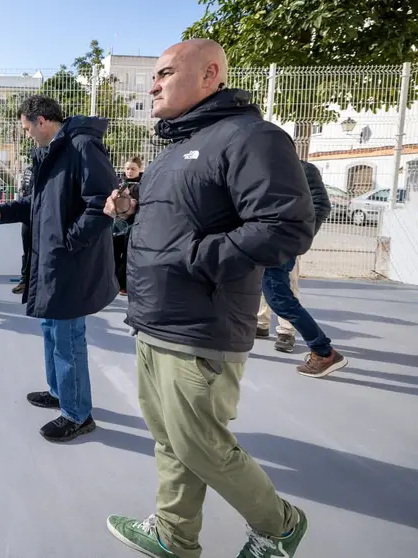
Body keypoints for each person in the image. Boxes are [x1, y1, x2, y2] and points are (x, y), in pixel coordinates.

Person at [103, 39, 314, 557]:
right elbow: (181, 222)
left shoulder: (251, 137)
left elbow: (286, 225)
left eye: (165, 73)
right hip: (155, 319)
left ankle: (280, 526)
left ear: (210, 73)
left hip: (201, 326)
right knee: (170, 439)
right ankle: (175, 536)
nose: (152, 85)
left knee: (202, 445)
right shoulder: (176, 148)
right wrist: (130, 212)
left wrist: (197, 255)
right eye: (153, 76)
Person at [0, 94, 119, 442]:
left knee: (67, 338)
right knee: (51, 330)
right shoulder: (52, 152)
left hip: (69, 262)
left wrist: (69, 241)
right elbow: (38, 203)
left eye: (27, 129)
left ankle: (77, 414)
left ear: (41, 121)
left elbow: (103, 204)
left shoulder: (83, 146)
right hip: (52, 262)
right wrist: (4, 212)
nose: (26, 135)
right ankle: (60, 393)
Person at [261, 160, 348, 377]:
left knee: (282, 299)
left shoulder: (302, 168)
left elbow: (321, 205)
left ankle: (323, 352)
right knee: (271, 295)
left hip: (280, 246)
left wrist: (298, 240)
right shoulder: (260, 166)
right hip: (261, 243)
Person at [13, 147, 46, 296]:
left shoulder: (51, 171)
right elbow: (24, 192)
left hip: (46, 216)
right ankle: (25, 280)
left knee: (43, 249)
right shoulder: (28, 171)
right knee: (27, 248)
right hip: (28, 215)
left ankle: (40, 281)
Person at [112, 156, 144, 295]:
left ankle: (123, 285)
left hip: (133, 223)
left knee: (127, 254)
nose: (129, 171)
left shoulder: (143, 184)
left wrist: (130, 195)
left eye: (133, 169)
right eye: (127, 168)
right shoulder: (119, 182)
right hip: (117, 222)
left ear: (140, 169)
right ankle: (112, 282)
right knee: (113, 252)